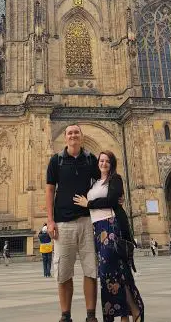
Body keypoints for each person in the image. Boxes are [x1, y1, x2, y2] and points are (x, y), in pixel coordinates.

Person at [74, 150, 144, 322]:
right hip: (98, 229)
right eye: (101, 160)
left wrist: (89, 203)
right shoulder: (96, 183)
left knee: (112, 272)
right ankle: (127, 314)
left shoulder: (115, 179)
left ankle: (129, 313)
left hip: (111, 227)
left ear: (111, 164)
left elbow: (112, 200)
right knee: (110, 275)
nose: (103, 163)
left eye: (107, 161)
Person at [46, 124, 100, 322]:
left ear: (81, 136)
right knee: (63, 272)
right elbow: (50, 190)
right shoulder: (56, 161)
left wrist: (114, 196)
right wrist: (50, 221)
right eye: (70, 133)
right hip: (63, 223)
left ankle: (91, 315)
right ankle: (65, 315)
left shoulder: (90, 159)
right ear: (65, 137)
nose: (73, 136)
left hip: (87, 221)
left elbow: (103, 180)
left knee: (91, 270)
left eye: (76, 133)